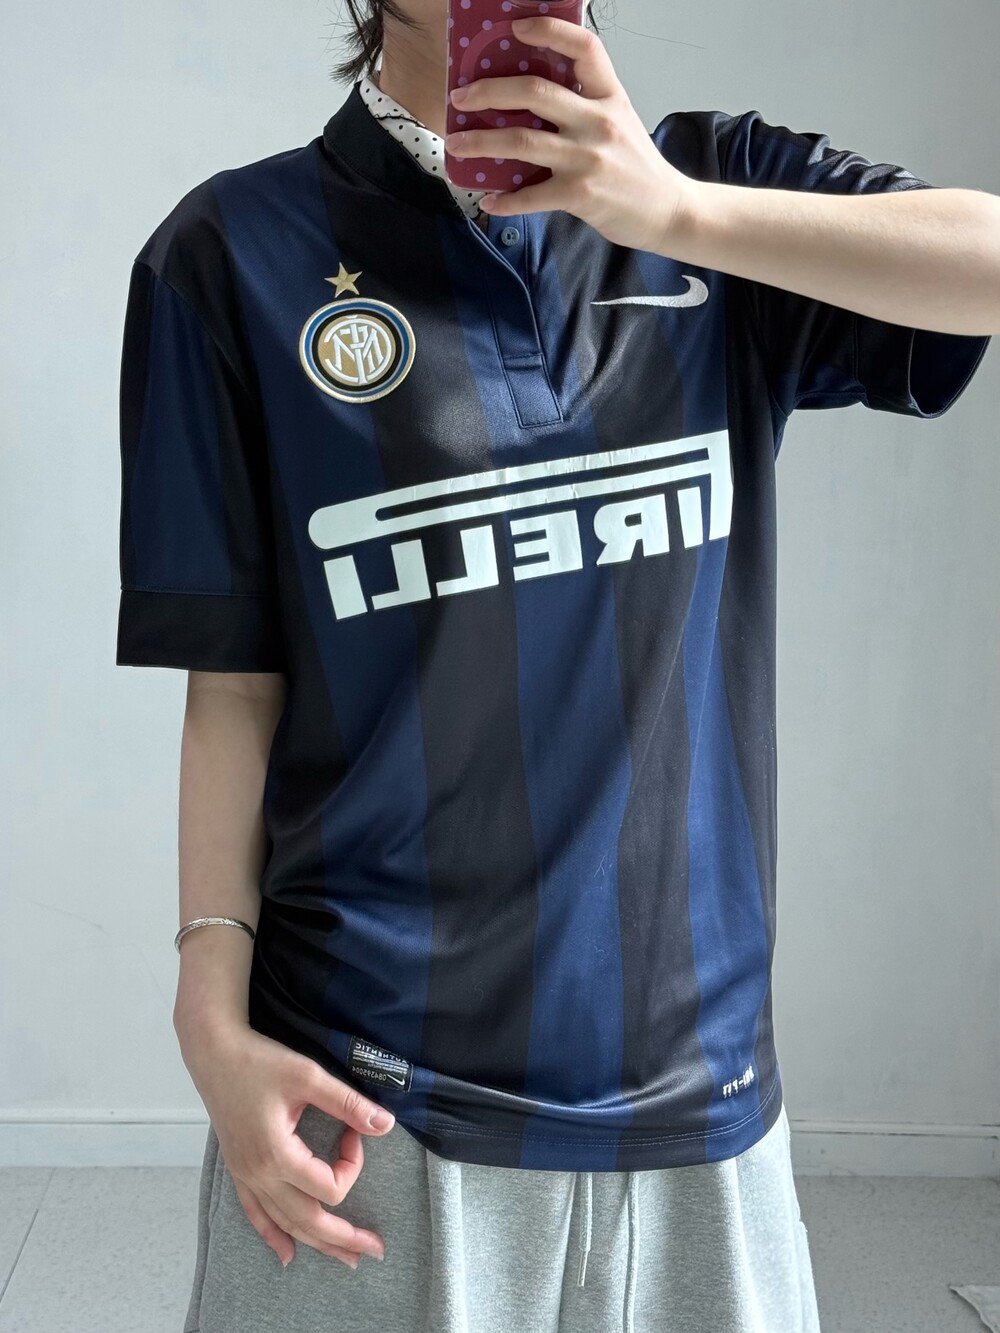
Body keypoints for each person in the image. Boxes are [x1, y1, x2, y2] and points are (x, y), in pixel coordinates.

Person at [114, 0, 995, 1329]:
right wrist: (207, 1013)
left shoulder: (717, 191)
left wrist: (674, 212)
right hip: (372, 1101)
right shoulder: (230, 254)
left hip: (703, 1099)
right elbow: (234, 685)